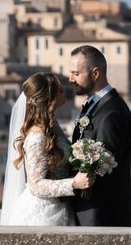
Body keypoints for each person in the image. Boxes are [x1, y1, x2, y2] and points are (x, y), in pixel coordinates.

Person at [0, 72, 93, 225]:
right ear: (48, 98)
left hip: (61, 206)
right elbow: (36, 185)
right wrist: (73, 183)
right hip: (44, 215)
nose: (65, 88)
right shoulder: (37, 137)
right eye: (60, 90)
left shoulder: (51, 125)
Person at [69, 45, 131, 226]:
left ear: (95, 73)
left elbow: (107, 169)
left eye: (76, 73)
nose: (70, 79)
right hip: (90, 211)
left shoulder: (111, 113)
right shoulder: (96, 105)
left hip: (99, 214)